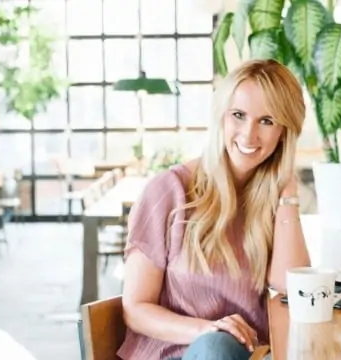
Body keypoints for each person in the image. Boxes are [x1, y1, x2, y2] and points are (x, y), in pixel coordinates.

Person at [117, 59, 311, 360]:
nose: (248, 135)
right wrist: (207, 330)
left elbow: (289, 285)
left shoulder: (270, 201)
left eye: (267, 121)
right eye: (238, 115)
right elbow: (135, 309)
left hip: (244, 355)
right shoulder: (169, 191)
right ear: (221, 117)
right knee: (215, 348)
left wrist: (287, 192)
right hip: (176, 353)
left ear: (284, 132)